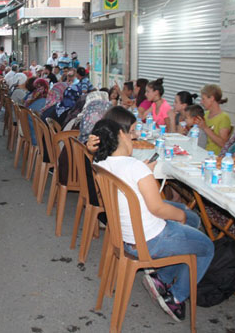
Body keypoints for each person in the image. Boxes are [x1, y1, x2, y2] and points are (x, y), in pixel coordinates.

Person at [91, 114, 213, 322]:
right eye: (130, 134)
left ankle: (162, 278)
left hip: (126, 237)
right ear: (121, 135)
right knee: (206, 246)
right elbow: (158, 209)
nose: (134, 136)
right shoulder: (134, 166)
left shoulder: (101, 163)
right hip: (151, 240)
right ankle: (176, 296)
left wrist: (143, 174)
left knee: (189, 221)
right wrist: (180, 217)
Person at [196, 84, 231, 155]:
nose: (201, 102)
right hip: (200, 151)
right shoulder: (205, 114)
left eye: (203, 99)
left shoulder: (223, 118)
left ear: (211, 98)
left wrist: (205, 128)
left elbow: (223, 144)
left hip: (213, 155)